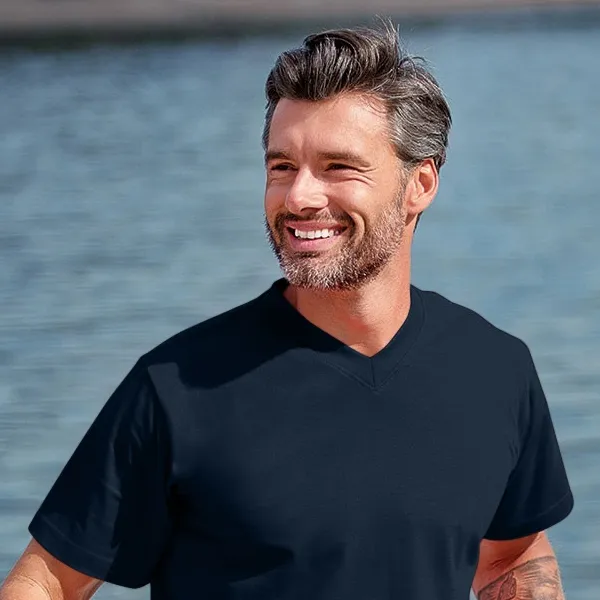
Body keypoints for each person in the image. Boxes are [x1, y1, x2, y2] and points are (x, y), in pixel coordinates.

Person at [0, 18, 573, 600]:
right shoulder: (177, 388)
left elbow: (510, 555)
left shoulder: (495, 370)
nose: (298, 196)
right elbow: (45, 583)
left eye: (337, 167)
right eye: (282, 167)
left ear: (419, 184)